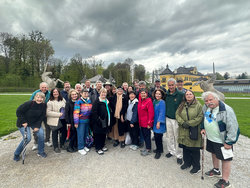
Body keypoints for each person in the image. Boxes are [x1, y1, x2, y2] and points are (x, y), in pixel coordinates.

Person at [201, 91, 240, 188]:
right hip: (211, 137)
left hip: (222, 140)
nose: (209, 102)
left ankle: (225, 180)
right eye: (206, 101)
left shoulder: (227, 110)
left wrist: (229, 141)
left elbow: (233, 127)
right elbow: (206, 118)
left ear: (216, 99)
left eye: (211, 99)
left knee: (225, 159)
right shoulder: (207, 107)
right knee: (213, 153)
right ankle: (216, 170)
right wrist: (203, 127)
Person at [176, 90, 203, 174]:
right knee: (185, 147)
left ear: (193, 95)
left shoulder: (198, 105)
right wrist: (182, 122)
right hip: (183, 129)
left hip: (193, 129)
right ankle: (187, 163)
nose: (188, 96)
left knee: (194, 149)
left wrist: (189, 123)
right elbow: (177, 114)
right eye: (187, 94)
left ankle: (196, 166)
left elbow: (200, 117)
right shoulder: (182, 105)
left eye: (190, 94)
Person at [14, 92, 47, 161]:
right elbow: (18, 111)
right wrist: (23, 121)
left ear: (44, 99)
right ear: (35, 98)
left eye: (41, 98)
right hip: (23, 122)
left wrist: (37, 126)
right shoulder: (29, 103)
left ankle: (41, 151)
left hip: (34, 123)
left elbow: (41, 117)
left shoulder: (44, 105)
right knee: (27, 138)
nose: (39, 99)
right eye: (38, 97)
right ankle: (16, 154)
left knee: (41, 134)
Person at [165, 78, 184, 165]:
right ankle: (171, 151)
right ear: (167, 85)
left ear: (175, 85)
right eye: (169, 85)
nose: (171, 86)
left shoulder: (180, 94)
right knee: (169, 136)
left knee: (177, 137)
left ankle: (179, 155)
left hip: (176, 119)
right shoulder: (166, 94)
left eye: (172, 85)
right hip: (168, 118)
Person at [30, 82, 51, 150]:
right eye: (42, 87)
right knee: (36, 127)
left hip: (45, 113)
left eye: (45, 87)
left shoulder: (49, 93)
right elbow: (31, 101)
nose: (44, 88)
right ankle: (36, 142)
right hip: (37, 113)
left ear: (47, 88)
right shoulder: (35, 93)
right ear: (40, 87)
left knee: (48, 127)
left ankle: (47, 140)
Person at [91, 88, 111, 155]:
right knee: (98, 135)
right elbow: (94, 112)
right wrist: (98, 120)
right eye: (102, 92)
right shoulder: (97, 101)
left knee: (103, 134)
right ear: (100, 93)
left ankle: (102, 146)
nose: (103, 94)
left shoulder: (106, 101)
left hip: (105, 121)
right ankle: (98, 148)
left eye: (105, 93)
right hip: (98, 122)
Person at [46, 88, 67, 153]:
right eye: (54, 92)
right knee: (55, 133)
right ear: (52, 93)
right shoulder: (50, 102)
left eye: (57, 92)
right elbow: (48, 112)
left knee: (64, 132)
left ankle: (62, 144)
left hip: (63, 119)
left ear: (59, 93)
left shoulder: (63, 100)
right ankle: (55, 147)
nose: (55, 93)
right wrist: (58, 114)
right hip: (55, 120)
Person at [74, 89, 92, 155]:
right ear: (81, 93)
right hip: (81, 121)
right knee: (80, 135)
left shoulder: (89, 100)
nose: (86, 94)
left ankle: (84, 146)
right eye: (84, 93)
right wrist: (76, 122)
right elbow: (76, 112)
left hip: (87, 120)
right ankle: (80, 148)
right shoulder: (78, 101)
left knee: (86, 134)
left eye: (87, 93)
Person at [137, 89, 154, 156]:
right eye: (142, 93)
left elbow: (151, 113)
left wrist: (149, 123)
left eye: (144, 93)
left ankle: (148, 149)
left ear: (146, 94)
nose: (143, 94)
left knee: (147, 136)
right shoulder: (140, 101)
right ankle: (146, 147)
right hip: (141, 122)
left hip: (146, 123)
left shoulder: (149, 101)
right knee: (144, 135)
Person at [152, 89, 166, 159]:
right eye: (156, 94)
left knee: (158, 137)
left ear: (162, 95)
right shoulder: (154, 101)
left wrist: (158, 122)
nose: (157, 95)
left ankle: (159, 151)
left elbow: (162, 113)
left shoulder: (162, 102)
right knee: (156, 135)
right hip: (154, 121)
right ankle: (160, 149)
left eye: (159, 94)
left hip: (159, 122)